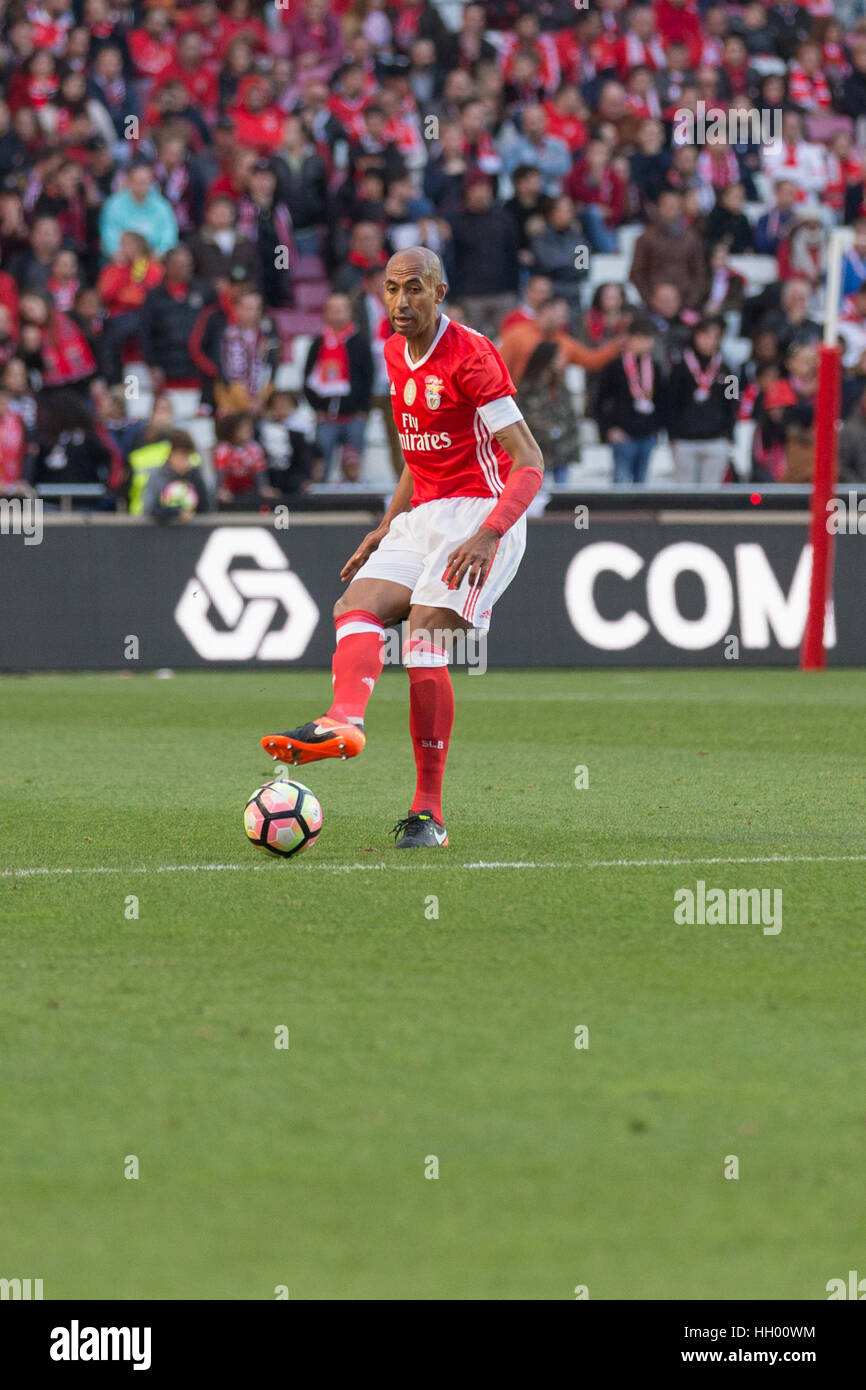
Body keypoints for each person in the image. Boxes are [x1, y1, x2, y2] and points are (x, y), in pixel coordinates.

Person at [260, 246, 545, 849]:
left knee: (422, 643)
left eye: (414, 288)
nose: (400, 301)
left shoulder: (472, 357)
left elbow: (529, 462)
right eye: (391, 289)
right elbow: (418, 459)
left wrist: (488, 533)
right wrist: (385, 526)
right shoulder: (392, 351)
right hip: (421, 515)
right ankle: (344, 720)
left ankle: (428, 814)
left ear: (439, 293)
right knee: (353, 608)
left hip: (481, 516)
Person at [304, 292, 373, 483]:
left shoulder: (359, 342)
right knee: (320, 466)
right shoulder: (318, 343)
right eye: (332, 309)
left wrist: (363, 409)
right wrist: (316, 407)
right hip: (326, 417)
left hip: (354, 417)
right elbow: (308, 377)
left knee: (352, 467)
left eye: (340, 309)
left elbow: (368, 377)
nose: (336, 314)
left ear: (349, 312)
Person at [667, 319, 737, 485]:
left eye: (714, 337)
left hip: (716, 440)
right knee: (684, 492)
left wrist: (729, 436)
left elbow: (732, 403)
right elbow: (671, 403)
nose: (709, 341)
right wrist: (672, 435)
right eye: (705, 336)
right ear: (696, 337)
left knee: (712, 493)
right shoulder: (680, 368)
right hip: (685, 440)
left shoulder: (727, 368)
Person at [595, 317, 662, 485]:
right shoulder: (615, 367)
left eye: (648, 338)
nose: (645, 343)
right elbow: (599, 401)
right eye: (640, 338)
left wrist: (656, 429)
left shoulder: (656, 367)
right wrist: (608, 429)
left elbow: (663, 401)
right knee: (621, 482)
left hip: (647, 435)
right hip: (622, 435)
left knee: (642, 483)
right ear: (630, 339)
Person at [214, 410, 279, 509]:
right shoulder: (223, 450)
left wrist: (264, 488)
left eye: (249, 429)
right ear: (232, 431)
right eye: (243, 430)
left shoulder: (254, 448)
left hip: (250, 490)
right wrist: (220, 490)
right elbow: (220, 473)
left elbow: (260, 471)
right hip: (229, 491)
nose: (248, 432)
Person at [143, 428, 212, 521]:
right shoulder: (158, 477)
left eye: (189, 456)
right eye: (183, 456)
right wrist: (177, 512)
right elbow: (150, 508)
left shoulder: (195, 475)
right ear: (171, 455)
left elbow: (207, 507)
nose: (187, 462)